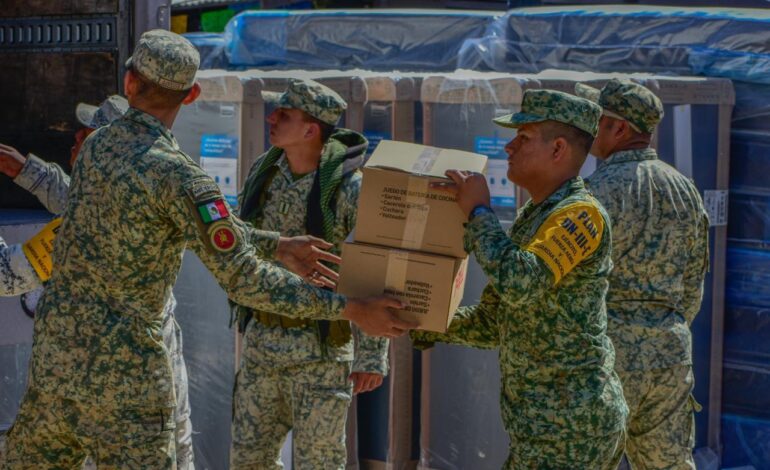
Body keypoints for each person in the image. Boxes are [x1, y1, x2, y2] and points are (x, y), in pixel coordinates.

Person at [2, 29, 412, 470]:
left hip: (58, 369)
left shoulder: (95, 148)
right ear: (193, 94)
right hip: (127, 388)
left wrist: (275, 245)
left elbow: (180, 228)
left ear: (129, 83)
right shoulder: (183, 179)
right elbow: (244, 278)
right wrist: (351, 308)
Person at [411, 89, 628, 469]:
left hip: (572, 427)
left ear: (558, 149)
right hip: (543, 427)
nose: (509, 147)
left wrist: (478, 211)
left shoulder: (580, 214)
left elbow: (520, 285)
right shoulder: (537, 214)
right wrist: (423, 319)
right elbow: (496, 322)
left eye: (523, 138)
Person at [0, 94, 197, 469]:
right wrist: (23, 169)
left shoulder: (89, 224)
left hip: (117, 372)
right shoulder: (128, 190)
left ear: (108, 144)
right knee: (173, 445)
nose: (75, 137)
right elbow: (70, 194)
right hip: (145, 357)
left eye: (87, 134)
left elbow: (7, 276)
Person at [230, 79, 388, 469]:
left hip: (319, 352)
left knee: (319, 462)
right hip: (262, 347)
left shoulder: (350, 188)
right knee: (249, 461)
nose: (272, 118)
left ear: (310, 129)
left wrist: (371, 353)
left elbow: (372, 267)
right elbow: (237, 239)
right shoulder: (262, 175)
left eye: (284, 114)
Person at [576, 79, 709, 469]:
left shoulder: (595, 192)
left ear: (619, 129)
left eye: (597, 120)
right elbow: (692, 286)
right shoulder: (686, 189)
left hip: (611, 358)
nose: (589, 128)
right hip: (670, 355)